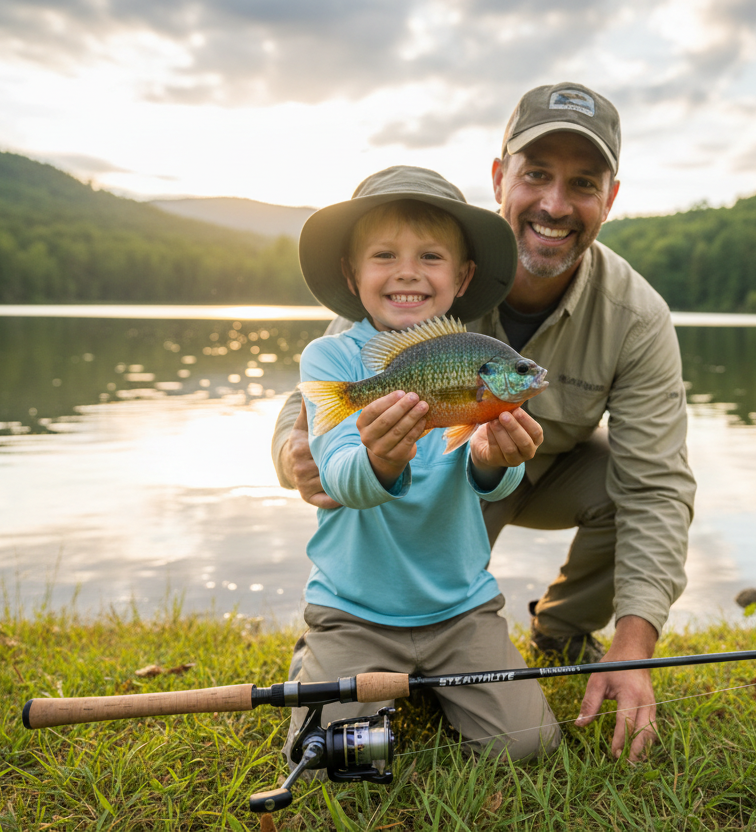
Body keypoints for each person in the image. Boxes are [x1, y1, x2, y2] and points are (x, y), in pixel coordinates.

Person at [274, 83, 695, 762]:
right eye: (536, 175)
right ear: (500, 178)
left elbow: (658, 486)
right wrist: (297, 456)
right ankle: (339, 656)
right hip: (419, 510)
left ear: (610, 198)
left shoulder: (636, 317)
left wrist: (635, 643)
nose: (555, 205)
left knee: (527, 743)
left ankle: (561, 631)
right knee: (341, 756)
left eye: (582, 183)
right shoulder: (410, 300)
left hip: (499, 482)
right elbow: (318, 399)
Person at [284, 165, 560, 765]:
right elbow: (338, 479)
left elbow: (490, 479)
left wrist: (494, 460)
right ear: (350, 274)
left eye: (430, 257)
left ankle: (437, 683)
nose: (407, 271)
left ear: (462, 278)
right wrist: (379, 461)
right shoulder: (330, 359)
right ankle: (328, 658)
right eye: (384, 255)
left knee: (529, 746)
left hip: (461, 609)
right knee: (326, 756)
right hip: (354, 611)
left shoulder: (481, 356)